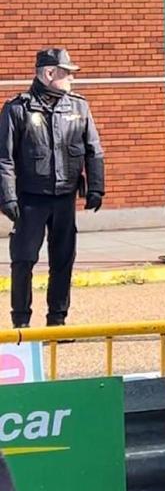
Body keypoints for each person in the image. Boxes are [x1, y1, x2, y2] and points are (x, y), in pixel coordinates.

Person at [0, 48, 105, 329]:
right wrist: (8, 197)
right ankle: (21, 323)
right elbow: (4, 158)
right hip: (29, 200)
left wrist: (96, 187)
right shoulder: (17, 109)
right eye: (66, 72)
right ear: (49, 74)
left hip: (64, 199)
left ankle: (57, 320)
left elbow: (94, 150)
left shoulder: (78, 106)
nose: (71, 78)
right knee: (23, 260)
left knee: (63, 261)